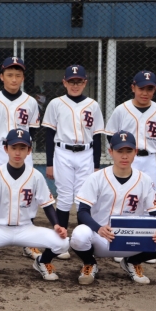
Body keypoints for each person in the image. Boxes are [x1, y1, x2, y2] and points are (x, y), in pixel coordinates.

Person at [69, 131, 156, 285]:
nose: (124, 156)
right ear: (111, 152)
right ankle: (89, 263)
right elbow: (82, 212)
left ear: (135, 152)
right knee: (79, 235)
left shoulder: (145, 180)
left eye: (129, 151)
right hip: (102, 239)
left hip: (133, 239)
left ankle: (132, 262)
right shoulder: (96, 178)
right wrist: (98, 228)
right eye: (120, 151)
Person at [0, 129, 69, 282]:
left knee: (63, 242)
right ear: (6, 149)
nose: (17, 152)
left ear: (29, 151)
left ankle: (42, 261)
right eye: (13, 147)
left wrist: (56, 225)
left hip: (26, 229)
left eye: (22, 148)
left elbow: (47, 205)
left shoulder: (36, 176)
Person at [0, 56, 42, 261]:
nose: (14, 79)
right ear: (2, 76)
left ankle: (29, 241)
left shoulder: (30, 102)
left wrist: (22, 148)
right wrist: (0, 147)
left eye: (18, 75)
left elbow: (33, 130)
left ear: (23, 78)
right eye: (10, 75)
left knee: (27, 191)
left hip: (23, 150)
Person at [41, 65, 105, 260]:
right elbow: (49, 135)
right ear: (64, 82)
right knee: (65, 197)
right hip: (63, 152)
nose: (75, 85)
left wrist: (96, 164)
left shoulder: (93, 105)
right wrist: (49, 163)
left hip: (86, 153)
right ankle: (61, 243)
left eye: (79, 81)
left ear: (85, 83)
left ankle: (82, 242)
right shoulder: (56, 103)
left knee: (83, 199)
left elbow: (97, 136)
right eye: (71, 81)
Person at [105, 71, 156, 191]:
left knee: (150, 193)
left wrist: (149, 149)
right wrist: (122, 154)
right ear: (133, 88)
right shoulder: (121, 110)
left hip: (149, 160)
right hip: (127, 159)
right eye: (141, 88)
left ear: (155, 90)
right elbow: (111, 136)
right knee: (125, 192)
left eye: (149, 89)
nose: (145, 93)